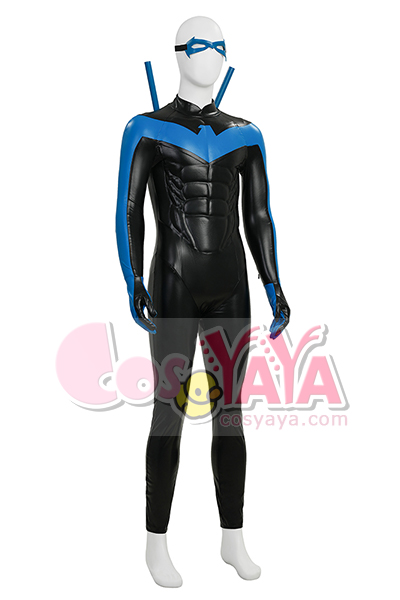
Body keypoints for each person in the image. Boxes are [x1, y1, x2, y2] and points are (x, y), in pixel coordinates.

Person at [116, 15, 290, 588]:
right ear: (178, 54)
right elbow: (128, 209)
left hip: (231, 287)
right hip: (174, 283)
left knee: (230, 413)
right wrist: (132, 279)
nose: (209, 54)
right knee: (169, 411)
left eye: (218, 46)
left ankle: (232, 538)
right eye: (198, 45)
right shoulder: (146, 128)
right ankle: (156, 544)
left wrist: (274, 285)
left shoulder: (246, 133)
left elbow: (259, 216)